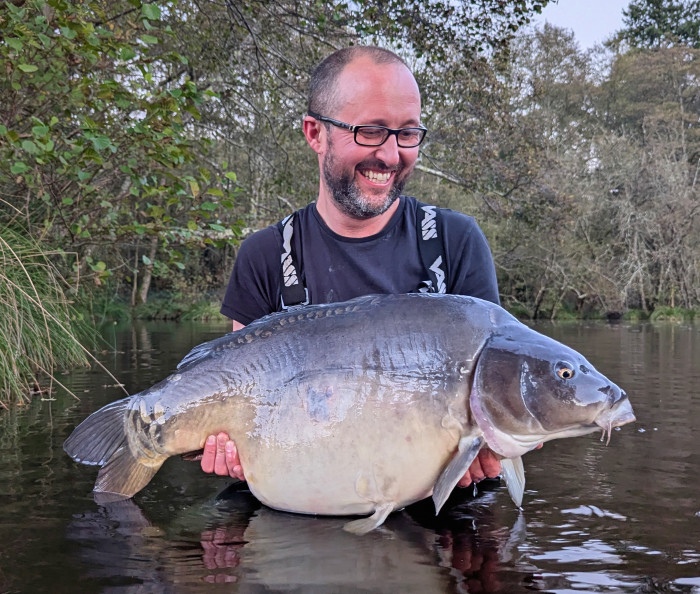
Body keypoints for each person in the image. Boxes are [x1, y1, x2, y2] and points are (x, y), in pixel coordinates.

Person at [201, 46, 502, 489]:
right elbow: (240, 396)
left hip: (438, 505)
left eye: (408, 133)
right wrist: (234, 450)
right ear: (315, 133)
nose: (392, 155)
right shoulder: (265, 255)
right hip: (304, 500)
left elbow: (492, 389)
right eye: (371, 131)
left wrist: (487, 447)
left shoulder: (455, 242)